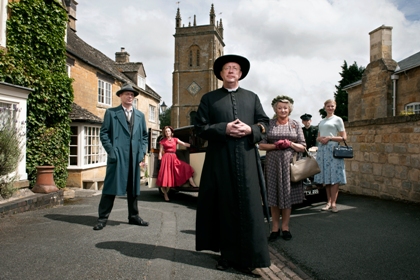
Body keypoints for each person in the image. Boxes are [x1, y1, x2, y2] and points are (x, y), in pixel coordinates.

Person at [194, 54, 270, 277]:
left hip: (247, 160)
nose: (231, 71)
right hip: (220, 160)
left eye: (235, 68)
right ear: (220, 73)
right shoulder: (209, 99)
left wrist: (251, 130)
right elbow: (200, 127)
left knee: (248, 208)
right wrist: (224, 129)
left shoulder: (252, 97)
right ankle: (226, 256)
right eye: (227, 68)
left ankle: (249, 259)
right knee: (223, 206)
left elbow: (264, 123)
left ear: (241, 74)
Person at [93, 84, 149, 230]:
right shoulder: (111, 113)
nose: (129, 96)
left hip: (134, 156)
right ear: (120, 96)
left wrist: (142, 152)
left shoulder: (140, 115)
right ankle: (102, 218)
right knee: (110, 188)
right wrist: (111, 151)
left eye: (132, 95)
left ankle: (133, 216)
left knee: (133, 189)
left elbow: (144, 136)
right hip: (117, 157)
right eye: (126, 94)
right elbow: (104, 133)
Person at [259, 95, 306, 242]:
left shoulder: (295, 124)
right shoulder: (269, 124)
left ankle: (285, 228)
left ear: (289, 109)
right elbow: (261, 145)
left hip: (289, 165)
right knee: (273, 197)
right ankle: (274, 228)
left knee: (287, 196)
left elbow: (303, 146)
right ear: (275, 109)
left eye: (285, 107)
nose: (282, 110)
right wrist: (275, 145)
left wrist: (290, 144)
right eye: (279, 107)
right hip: (272, 164)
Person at [313, 99, 347, 213]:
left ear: (335, 107)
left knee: (335, 176)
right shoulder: (322, 121)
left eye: (332, 106)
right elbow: (318, 136)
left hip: (333, 150)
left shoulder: (338, 119)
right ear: (325, 107)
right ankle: (328, 202)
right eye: (328, 106)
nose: (330, 108)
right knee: (326, 177)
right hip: (322, 150)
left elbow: (343, 137)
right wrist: (320, 139)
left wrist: (329, 138)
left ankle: (333, 203)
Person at [156, 126, 198, 202]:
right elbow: (160, 152)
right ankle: (165, 194)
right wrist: (159, 161)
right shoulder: (162, 141)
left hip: (174, 157)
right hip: (166, 158)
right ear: (164, 133)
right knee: (165, 177)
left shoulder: (175, 139)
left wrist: (193, 146)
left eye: (168, 131)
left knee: (186, 167)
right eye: (166, 131)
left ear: (171, 132)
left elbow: (184, 144)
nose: (167, 132)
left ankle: (191, 182)